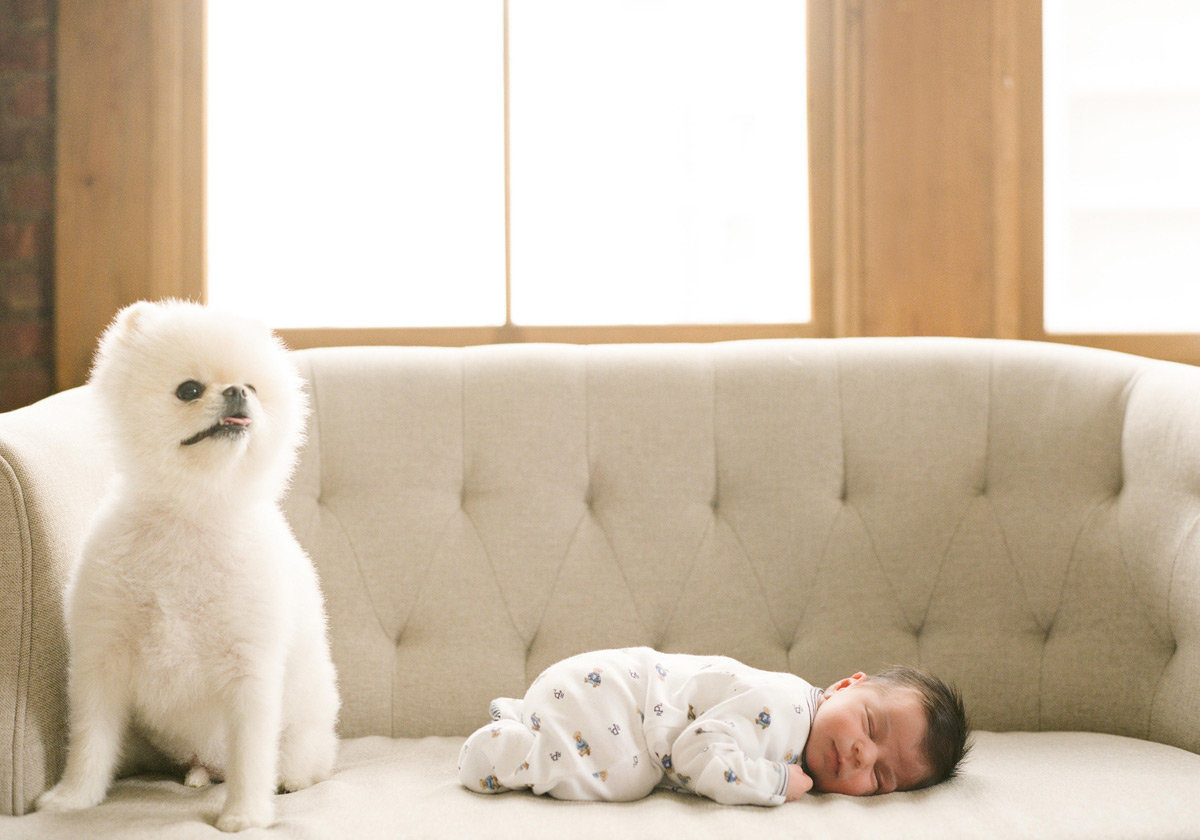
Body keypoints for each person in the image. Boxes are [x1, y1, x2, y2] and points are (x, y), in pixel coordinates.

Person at [457, 647, 969, 805]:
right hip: (612, 696)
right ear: (843, 685)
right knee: (627, 774)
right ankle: (512, 753)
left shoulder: (801, 724)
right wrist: (773, 783)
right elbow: (695, 754)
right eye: (872, 727)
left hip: (587, 691)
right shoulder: (788, 713)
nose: (862, 755)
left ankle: (535, 719)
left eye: (880, 778)